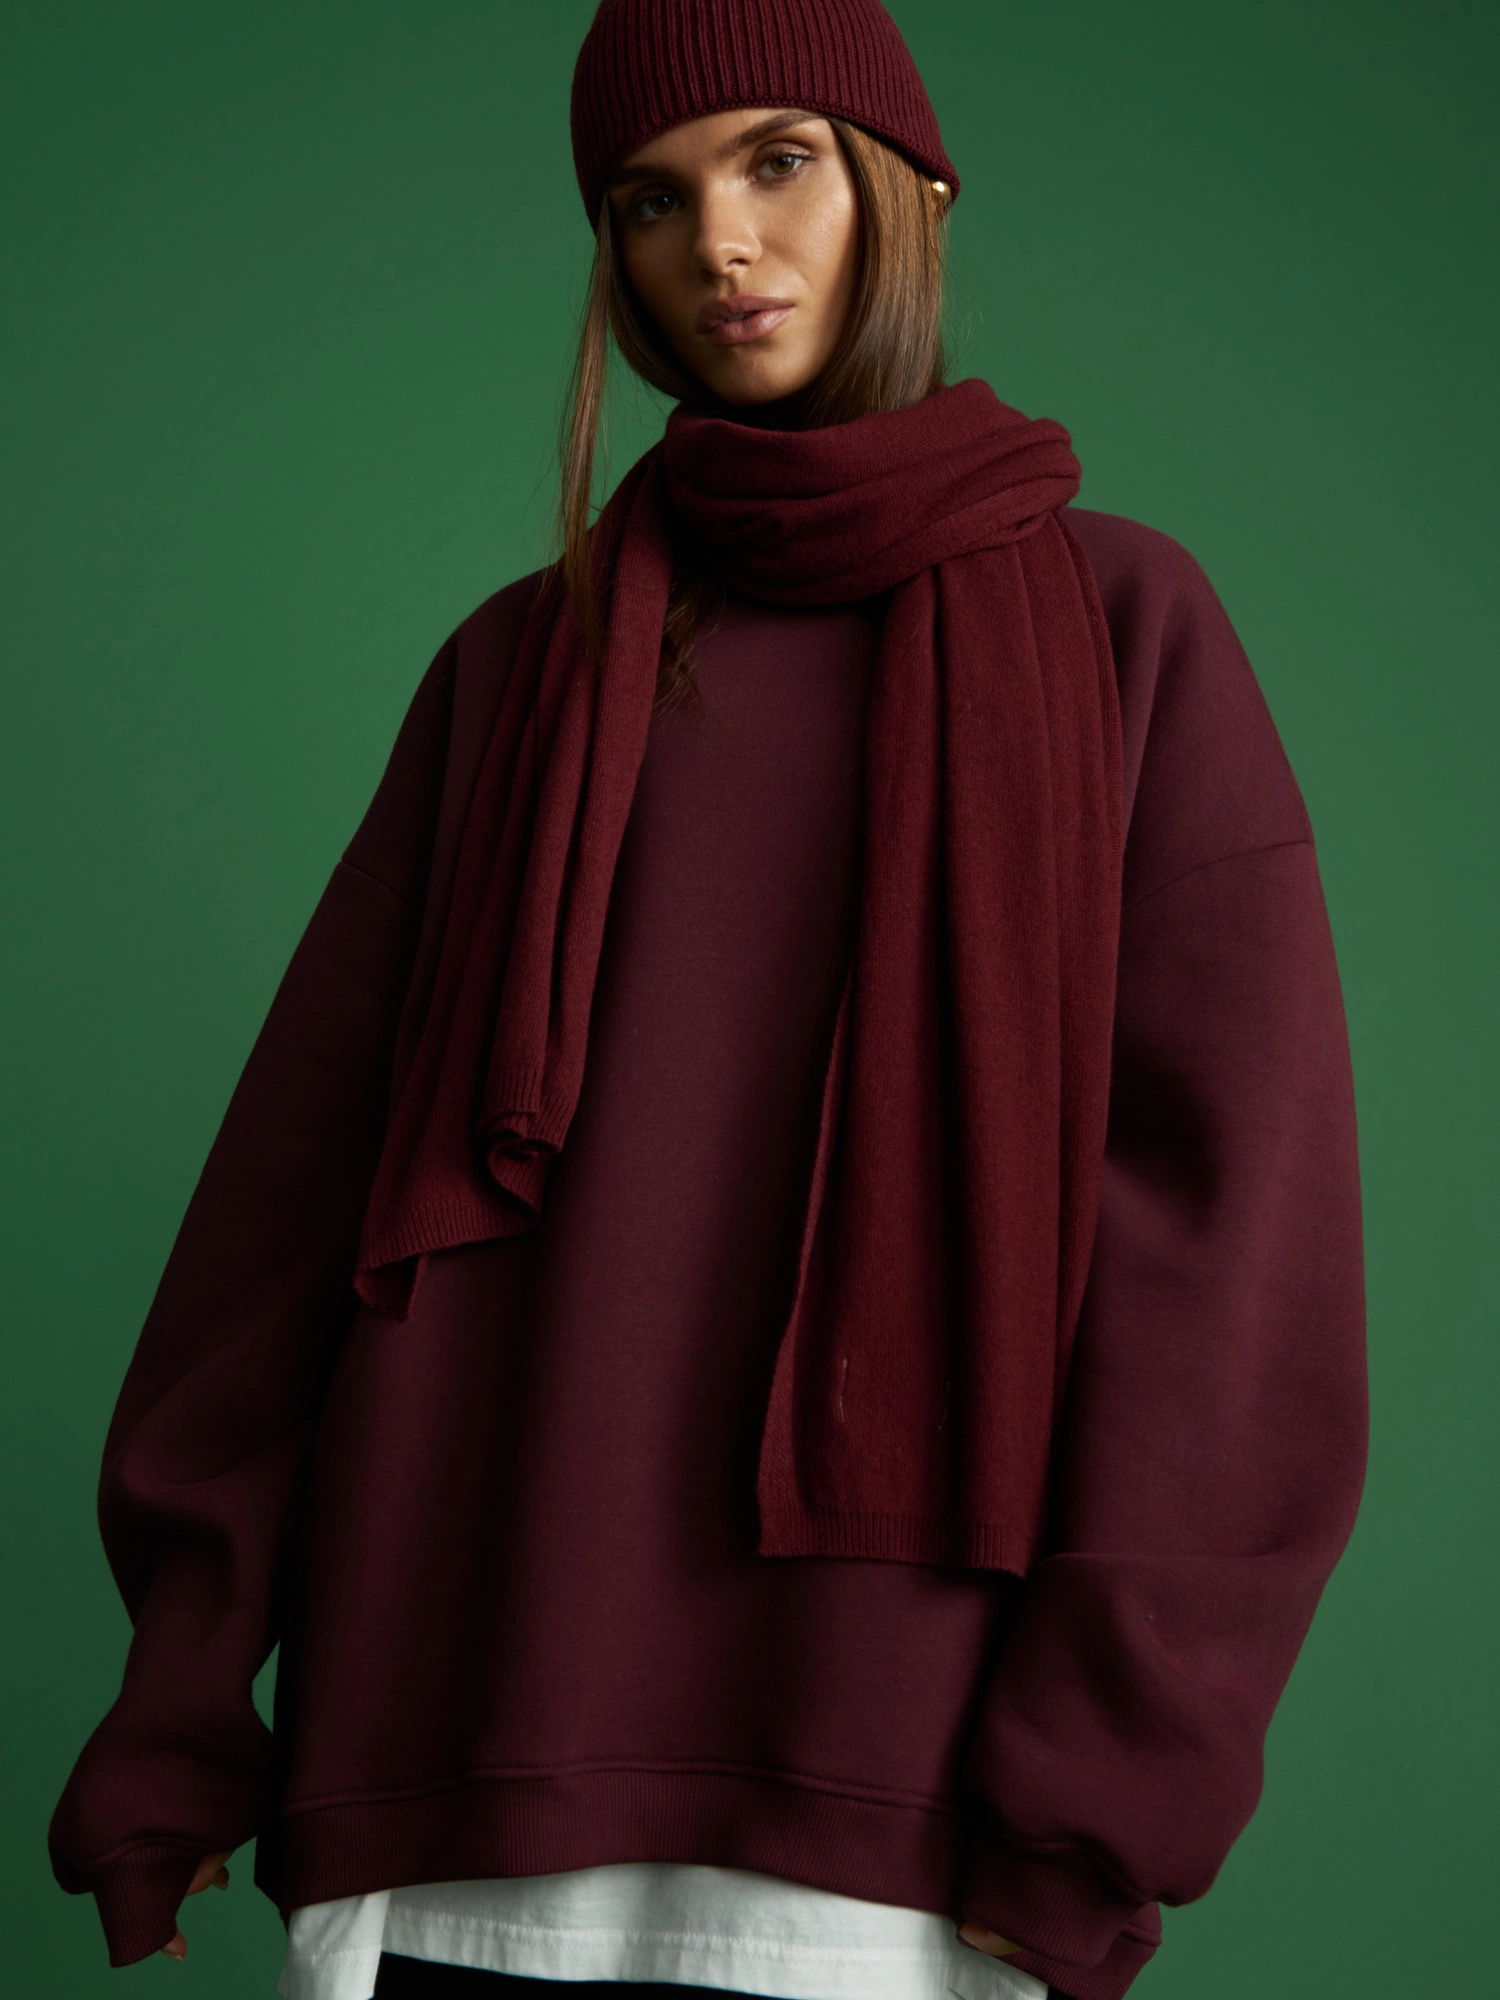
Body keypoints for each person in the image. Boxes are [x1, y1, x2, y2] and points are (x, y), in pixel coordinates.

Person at [46, 3, 1368, 1998]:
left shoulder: (1129, 631)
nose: (719, 244)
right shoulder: (516, 673)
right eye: (649, 203)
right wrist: (180, 1709)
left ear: (909, 189)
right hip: (450, 1778)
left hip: (891, 1832)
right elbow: (286, 1221)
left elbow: (1234, 1276)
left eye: (777, 161)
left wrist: (1098, 1797)